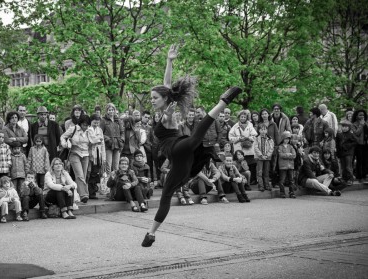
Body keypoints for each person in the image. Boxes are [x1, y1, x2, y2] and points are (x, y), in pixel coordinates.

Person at [142, 45, 240, 247]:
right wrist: (169, 61)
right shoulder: (166, 107)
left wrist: (168, 114)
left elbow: (166, 89)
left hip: (178, 148)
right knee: (166, 194)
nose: (151, 101)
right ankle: (151, 233)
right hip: (183, 162)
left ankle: (223, 102)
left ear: (164, 99)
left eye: (154, 98)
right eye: (151, 98)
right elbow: (166, 85)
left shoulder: (167, 112)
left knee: (194, 139)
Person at [61, 114, 92, 203]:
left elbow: (94, 140)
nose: (85, 127)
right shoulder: (73, 129)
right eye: (84, 125)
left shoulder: (89, 131)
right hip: (74, 153)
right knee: (79, 175)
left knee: (84, 176)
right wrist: (64, 144)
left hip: (85, 154)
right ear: (80, 123)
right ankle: (84, 195)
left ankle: (77, 194)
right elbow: (63, 136)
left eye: (87, 125)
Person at [100, 102, 125, 174]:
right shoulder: (103, 120)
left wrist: (122, 140)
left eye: (112, 109)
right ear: (107, 111)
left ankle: (115, 183)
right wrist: (107, 139)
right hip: (108, 145)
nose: (111, 111)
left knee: (116, 166)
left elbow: (122, 132)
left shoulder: (118, 120)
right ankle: (108, 182)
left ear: (115, 110)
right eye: (109, 110)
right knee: (108, 166)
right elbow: (100, 133)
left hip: (117, 144)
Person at [87, 114, 106, 199]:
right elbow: (90, 141)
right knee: (89, 172)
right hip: (90, 153)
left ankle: (93, 191)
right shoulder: (88, 129)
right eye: (94, 122)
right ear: (91, 122)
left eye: (97, 123)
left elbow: (102, 144)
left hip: (99, 154)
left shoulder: (100, 130)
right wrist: (98, 139)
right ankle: (89, 192)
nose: (96, 124)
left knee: (96, 173)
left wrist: (104, 157)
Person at [336, 120, 357, 185]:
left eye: (346, 127)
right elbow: (337, 144)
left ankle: (350, 178)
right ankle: (344, 179)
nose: (344, 128)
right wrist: (338, 153)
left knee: (348, 167)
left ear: (349, 127)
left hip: (348, 153)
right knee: (343, 167)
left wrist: (347, 146)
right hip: (341, 153)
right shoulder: (339, 134)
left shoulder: (351, 134)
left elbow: (355, 142)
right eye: (343, 126)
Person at [254, 123, 274, 191]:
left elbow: (271, 148)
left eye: (264, 129)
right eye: (261, 129)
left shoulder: (270, 139)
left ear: (267, 130)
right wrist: (261, 155)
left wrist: (267, 155)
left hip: (267, 158)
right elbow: (256, 148)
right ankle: (261, 185)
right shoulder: (256, 138)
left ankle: (267, 185)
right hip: (260, 158)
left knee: (266, 171)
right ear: (259, 130)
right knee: (259, 172)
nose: (263, 131)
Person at [277, 131, 296, 198]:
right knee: (282, 180)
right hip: (283, 166)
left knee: (291, 180)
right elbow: (281, 155)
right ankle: (282, 192)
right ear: (283, 139)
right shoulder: (280, 147)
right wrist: (288, 154)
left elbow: (294, 155)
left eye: (288, 139)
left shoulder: (291, 147)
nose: (287, 140)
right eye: (285, 139)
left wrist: (287, 155)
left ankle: (292, 192)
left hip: (290, 166)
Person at [352, 109, 368, 183]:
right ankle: (360, 177)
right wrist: (361, 125)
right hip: (358, 145)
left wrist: (365, 124)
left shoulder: (366, 123)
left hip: (365, 144)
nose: (362, 116)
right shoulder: (353, 124)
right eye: (360, 115)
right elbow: (357, 133)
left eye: (363, 115)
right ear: (356, 116)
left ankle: (364, 176)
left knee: (365, 160)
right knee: (359, 161)